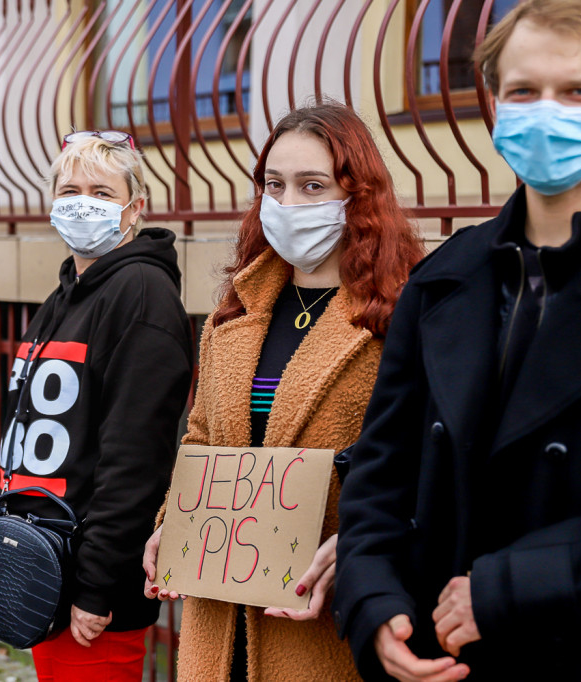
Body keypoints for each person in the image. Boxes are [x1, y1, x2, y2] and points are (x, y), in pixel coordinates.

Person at [334, 2, 581, 680]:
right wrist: (374, 601)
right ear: (495, 104)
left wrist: (512, 587)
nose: (548, 112)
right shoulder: (445, 278)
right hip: (439, 659)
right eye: (523, 91)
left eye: (579, 91)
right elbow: (380, 475)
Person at [141, 104, 425, 681]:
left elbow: (421, 464)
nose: (288, 203)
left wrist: (362, 545)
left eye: (312, 185)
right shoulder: (234, 315)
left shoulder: (398, 322)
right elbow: (201, 440)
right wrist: (173, 521)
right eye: (274, 184)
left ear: (358, 198)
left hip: (320, 622)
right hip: (219, 621)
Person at [0, 131, 193, 681]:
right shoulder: (64, 296)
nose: (83, 202)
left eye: (103, 192)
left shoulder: (141, 293)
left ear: (136, 207)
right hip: (44, 569)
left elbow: (136, 460)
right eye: (70, 189)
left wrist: (98, 582)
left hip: (91, 592)